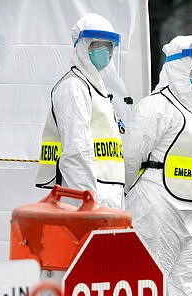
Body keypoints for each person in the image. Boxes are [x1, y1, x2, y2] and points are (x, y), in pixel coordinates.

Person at [123, 35, 192, 296]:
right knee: (149, 285)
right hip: (156, 207)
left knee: (188, 291)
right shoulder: (156, 107)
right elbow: (130, 158)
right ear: (179, 68)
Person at [36, 13, 125, 209]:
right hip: (86, 199)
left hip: (108, 197)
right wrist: (90, 202)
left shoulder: (98, 89)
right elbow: (77, 152)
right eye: (99, 45)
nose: (106, 51)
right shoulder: (74, 87)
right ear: (84, 47)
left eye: (110, 46)